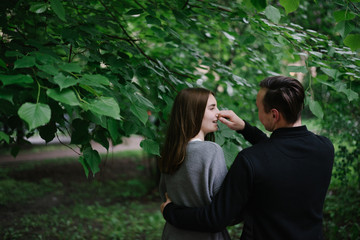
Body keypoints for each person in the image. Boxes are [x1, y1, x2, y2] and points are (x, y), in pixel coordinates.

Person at [161, 76, 334, 240]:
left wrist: (169, 211)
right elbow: (281, 153)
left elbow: (216, 218)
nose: (258, 113)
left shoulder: (250, 160)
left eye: (259, 108)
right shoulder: (325, 148)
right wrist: (245, 128)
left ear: (274, 115)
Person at [158, 87, 231, 239]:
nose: (218, 112)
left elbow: (164, 195)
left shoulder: (171, 152)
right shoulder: (211, 151)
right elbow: (225, 208)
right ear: (194, 112)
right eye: (212, 108)